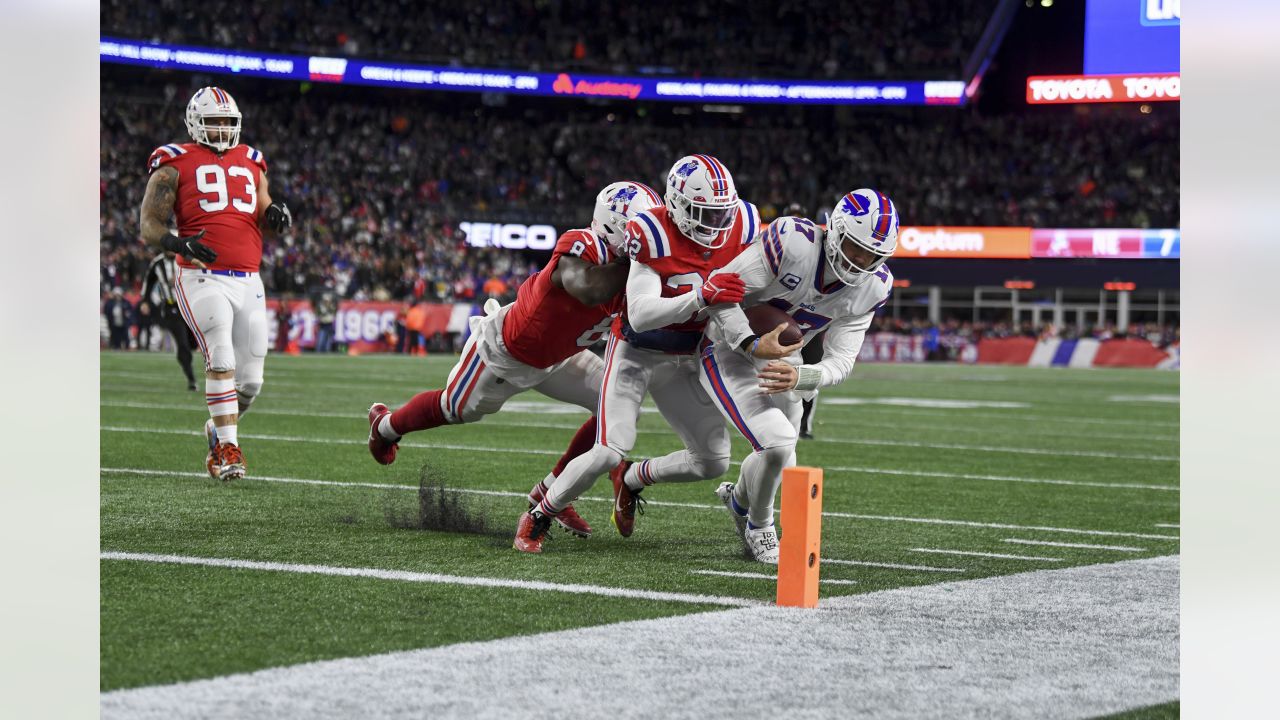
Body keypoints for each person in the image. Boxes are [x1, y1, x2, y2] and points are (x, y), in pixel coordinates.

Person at [365, 181, 662, 552]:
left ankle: (552, 490)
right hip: (506, 351)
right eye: (643, 229)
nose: (652, 237)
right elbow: (586, 287)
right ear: (617, 226)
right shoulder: (584, 245)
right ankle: (386, 426)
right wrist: (634, 263)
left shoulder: (638, 271)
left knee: (614, 403)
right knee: (455, 409)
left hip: (560, 356)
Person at [534, 155, 796, 545]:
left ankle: (634, 477)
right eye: (703, 213)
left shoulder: (742, 221)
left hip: (688, 354)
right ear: (676, 206)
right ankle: (538, 514)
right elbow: (640, 316)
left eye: (721, 213)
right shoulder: (653, 231)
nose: (717, 224)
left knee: (713, 462)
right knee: (608, 449)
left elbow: (742, 292)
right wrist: (700, 296)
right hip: (638, 351)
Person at [699, 188, 898, 562]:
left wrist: (802, 377)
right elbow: (721, 290)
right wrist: (749, 343)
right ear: (835, 229)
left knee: (783, 448)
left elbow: (841, 361)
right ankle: (759, 527)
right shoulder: (794, 242)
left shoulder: (873, 286)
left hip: (783, 363)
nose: (861, 260)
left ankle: (740, 501)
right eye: (856, 247)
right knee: (776, 444)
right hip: (728, 346)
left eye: (873, 254)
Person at [137, 86, 293, 481]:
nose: (222, 128)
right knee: (220, 354)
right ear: (194, 123)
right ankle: (227, 449)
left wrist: (275, 216)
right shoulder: (173, 161)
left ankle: (216, 429)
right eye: (214, 121)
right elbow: (149, 225)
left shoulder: (252, 160)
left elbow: (263, 211)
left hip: (249, 278)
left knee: (252, 382)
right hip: (200, 274)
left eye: (228, 122)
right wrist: (176, 241)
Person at [142, 250, 199, 390]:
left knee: (193, 343)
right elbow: (148, 283)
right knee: (182, 343)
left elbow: (201, 275)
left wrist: (182, 278)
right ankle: (191, 377)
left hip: (190, 305)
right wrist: (145, 301)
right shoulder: (157, 263)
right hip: (171, 307)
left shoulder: (187, 259)